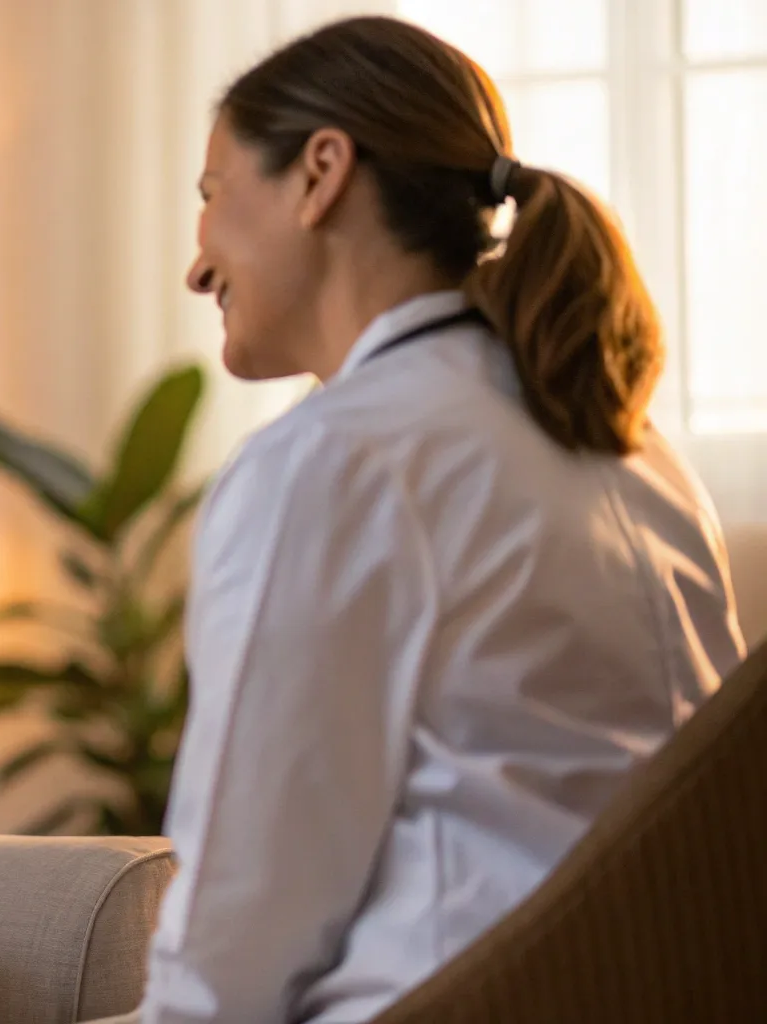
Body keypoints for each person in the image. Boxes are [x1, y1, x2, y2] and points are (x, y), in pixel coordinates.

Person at [141, 16, 747, 1024]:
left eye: (212, 195)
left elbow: (231, 948)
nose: (196, 265)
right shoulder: (639, 453)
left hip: (435, 999)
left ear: (319, 172)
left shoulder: (330, 462)